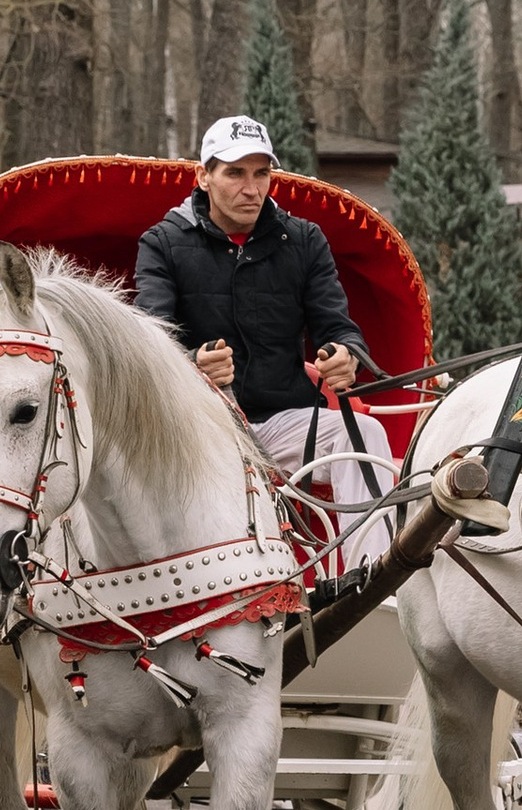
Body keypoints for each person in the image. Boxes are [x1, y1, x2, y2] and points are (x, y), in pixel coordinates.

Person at [135, 117, 391, 561]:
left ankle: (369, 579)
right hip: (199, 431)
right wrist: (192, 363)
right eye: (235, 173)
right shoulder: (162, 243)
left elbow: (337, 326)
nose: (251, 188)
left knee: (365, 433)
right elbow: (150, 341)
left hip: (285, 421)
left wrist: (346, 354)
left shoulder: (305, 240)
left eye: (261, 174)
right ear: (204, 177)